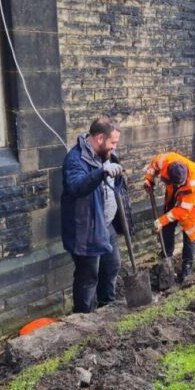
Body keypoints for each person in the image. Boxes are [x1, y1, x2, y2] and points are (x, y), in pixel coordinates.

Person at [61, 117, 131, 313]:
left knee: (112, 266)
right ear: (100, 138)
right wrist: (101, 172)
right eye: (113, 142)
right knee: (88, 276)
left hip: (105, 223)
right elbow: (76, 187)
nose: (115, 147)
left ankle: (106, 308)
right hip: (86, 228)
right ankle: (83, 316)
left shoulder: (106, 154)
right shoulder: (75, 159)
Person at [144, 152, 195, 282]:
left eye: (180, 184)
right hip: (174, 195)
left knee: (189, 235)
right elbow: (153, 165)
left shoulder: (194, 183)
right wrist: (149, 179)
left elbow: (182, 210)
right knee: (167, 227)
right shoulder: (166, 160)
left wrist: (161, 220)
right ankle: (166, 258)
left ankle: (186, 269)